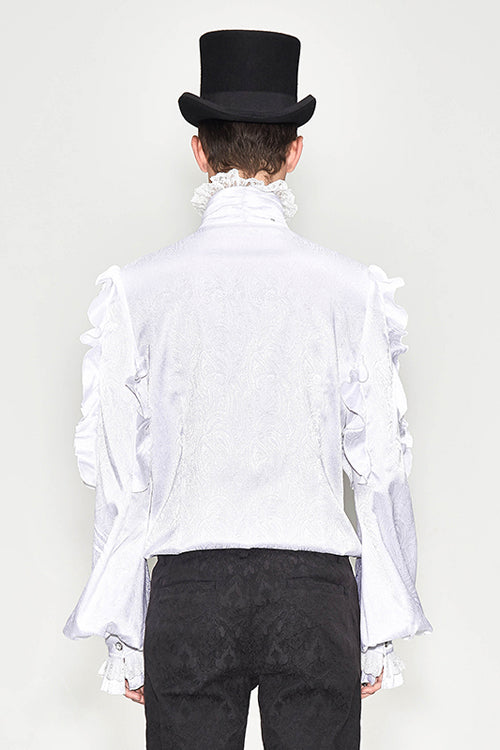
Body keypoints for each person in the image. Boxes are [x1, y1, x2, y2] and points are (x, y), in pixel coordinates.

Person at [63, 29, 433, 749]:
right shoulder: (350, 291)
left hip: (191, 594)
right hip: (313, 593)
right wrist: (379, 628)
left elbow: (121, 477)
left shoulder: (138, 292)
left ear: (198, 152)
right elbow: (382, 470)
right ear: (294, 152)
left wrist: (125, 632)